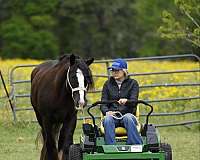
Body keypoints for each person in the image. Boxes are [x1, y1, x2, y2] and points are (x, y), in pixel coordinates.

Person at [100, 58, 142, 145]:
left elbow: (134, 101)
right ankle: (111, 148)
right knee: (108, 120)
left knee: (128, 118)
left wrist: (127, 101)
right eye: (113, 70)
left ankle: (136, 147)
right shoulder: (107, 84)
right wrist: (107, 112)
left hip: (128, 114)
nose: (114, 72)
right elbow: (103, 103)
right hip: (113, 116)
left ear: (124, 71)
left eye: (117, 70)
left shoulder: (133, 83)